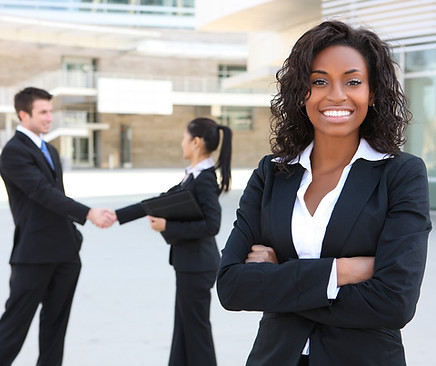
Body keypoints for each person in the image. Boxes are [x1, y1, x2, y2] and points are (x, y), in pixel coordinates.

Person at [216, 20, 432, 366]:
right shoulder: (271, 173)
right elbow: (230, 286)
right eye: (319, 81)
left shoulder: (401, 174)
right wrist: (340, 272)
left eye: (353, 81)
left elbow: (394, 302)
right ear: (302, 92)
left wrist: (280, 277)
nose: (336, 95)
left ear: (372, 92)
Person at [0, 87, 117, 366]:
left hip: (65, 252)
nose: (49, 117)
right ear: (24, 115)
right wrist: (89, 213)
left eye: (50, 111)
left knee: (55, 328)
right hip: (34, 254)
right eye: (43, 112)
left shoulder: (50, 150)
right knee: (14, 325)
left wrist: (74, 234)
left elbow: (58, 195)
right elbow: (43, 193)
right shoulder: (13, 152)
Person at [115, 117, 232, 366]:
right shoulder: (193, 176)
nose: (181, 143)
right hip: (189, 264)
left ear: (196, 142)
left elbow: (213, 225)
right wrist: (118, 215)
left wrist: (169, 226)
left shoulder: (205, 179)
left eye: (184, 138)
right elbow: (160, 201)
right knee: (184, 327)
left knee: (195, 330)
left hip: (197, 266)